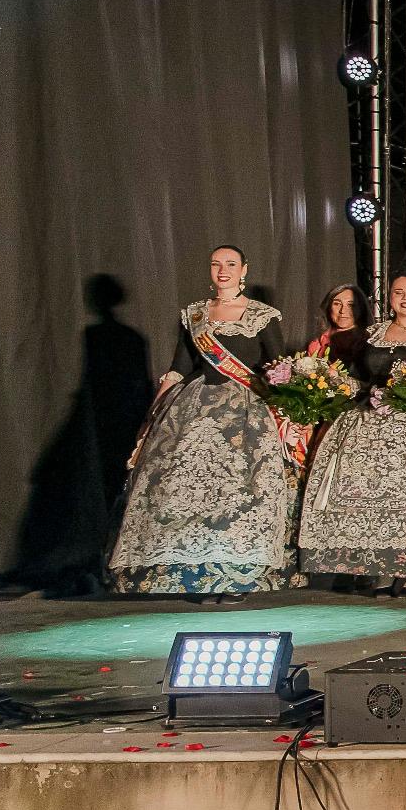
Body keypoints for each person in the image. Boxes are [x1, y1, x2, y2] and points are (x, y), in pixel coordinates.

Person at [108, 245, 300, 595]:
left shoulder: (262, 315)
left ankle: (239, 575)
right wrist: (154, 413)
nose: (223, 270)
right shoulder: (195, 314)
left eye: (231, 264)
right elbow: (179, 367)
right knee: (184, 487)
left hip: (246, 413)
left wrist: (288, 416)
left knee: (239, 491)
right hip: (194, 407)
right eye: (216, 264)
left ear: (244, 270)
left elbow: (279, 369)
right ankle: (191, 575)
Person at [296, 274, 406, 591]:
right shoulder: (373, 333)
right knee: (368, 498)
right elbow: (357, 377)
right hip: (367, 423)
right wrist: (324, 385)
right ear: (389, 297)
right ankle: (377, 566)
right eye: (399, 292)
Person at [308, 284, 368, 367]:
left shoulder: (370, 341)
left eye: (350, 305)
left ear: (361, 309)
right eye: (337, 304)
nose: (343, 311)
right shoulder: (317, 345)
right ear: (328, 307)